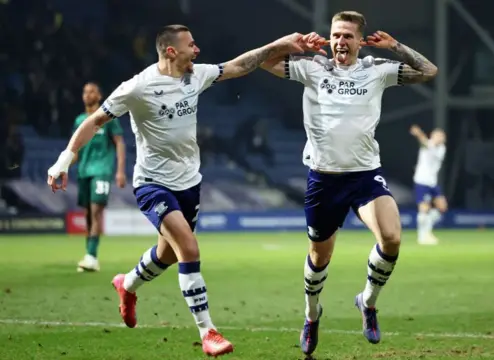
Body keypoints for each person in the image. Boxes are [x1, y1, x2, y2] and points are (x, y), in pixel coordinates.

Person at [47, 24, 308, 357]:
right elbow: (94, 121)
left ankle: (126, 285)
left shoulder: (195, 75)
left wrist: (280, 43)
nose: (197, 50)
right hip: (153, 186)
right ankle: (208, 332)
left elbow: (239, 66)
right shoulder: (137, 87)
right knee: (188, 248)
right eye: (191, 45)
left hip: (190, 185)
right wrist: (63, 160)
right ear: (171, 51)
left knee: (167, 255)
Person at [260, 11, 438, 356]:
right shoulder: (311, 68)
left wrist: (396, 47)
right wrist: (288, 44)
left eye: (347, 36)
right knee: (319, 256)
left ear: (359, 40)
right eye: (336, 35)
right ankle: (312, 316)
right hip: (324, 179)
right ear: (330, 38)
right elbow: (265, 63)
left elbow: (429, 72)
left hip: (364, 176)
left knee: (392, 238)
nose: (340, 41)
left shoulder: (377, 70)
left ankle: (367, 303)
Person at [74, 82, 126, 272]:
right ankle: (90, 254)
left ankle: (91, 256)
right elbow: (75, 149)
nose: (88, 95)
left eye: (92, 91)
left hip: (102, 171)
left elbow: (119, 143)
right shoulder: (79, 121)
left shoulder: (108, 118)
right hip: (83, 172)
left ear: (99, 95)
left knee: (96, 212)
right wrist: (61, 168)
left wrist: (120, 170)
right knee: (88, 215)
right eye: (85, 91)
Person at [409, 125, 447, 245]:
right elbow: (424, 143)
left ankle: (427, 232)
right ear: (433, 136)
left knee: (442, 207)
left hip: (432, 182)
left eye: (442, 136)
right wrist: (419, 135)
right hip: (422, 180)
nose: (440, 138)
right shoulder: (427, 144)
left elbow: (425, 143)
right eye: (438, 135)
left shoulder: (441, 149)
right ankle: (422, 236)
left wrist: (419, 132)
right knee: (424, 208)